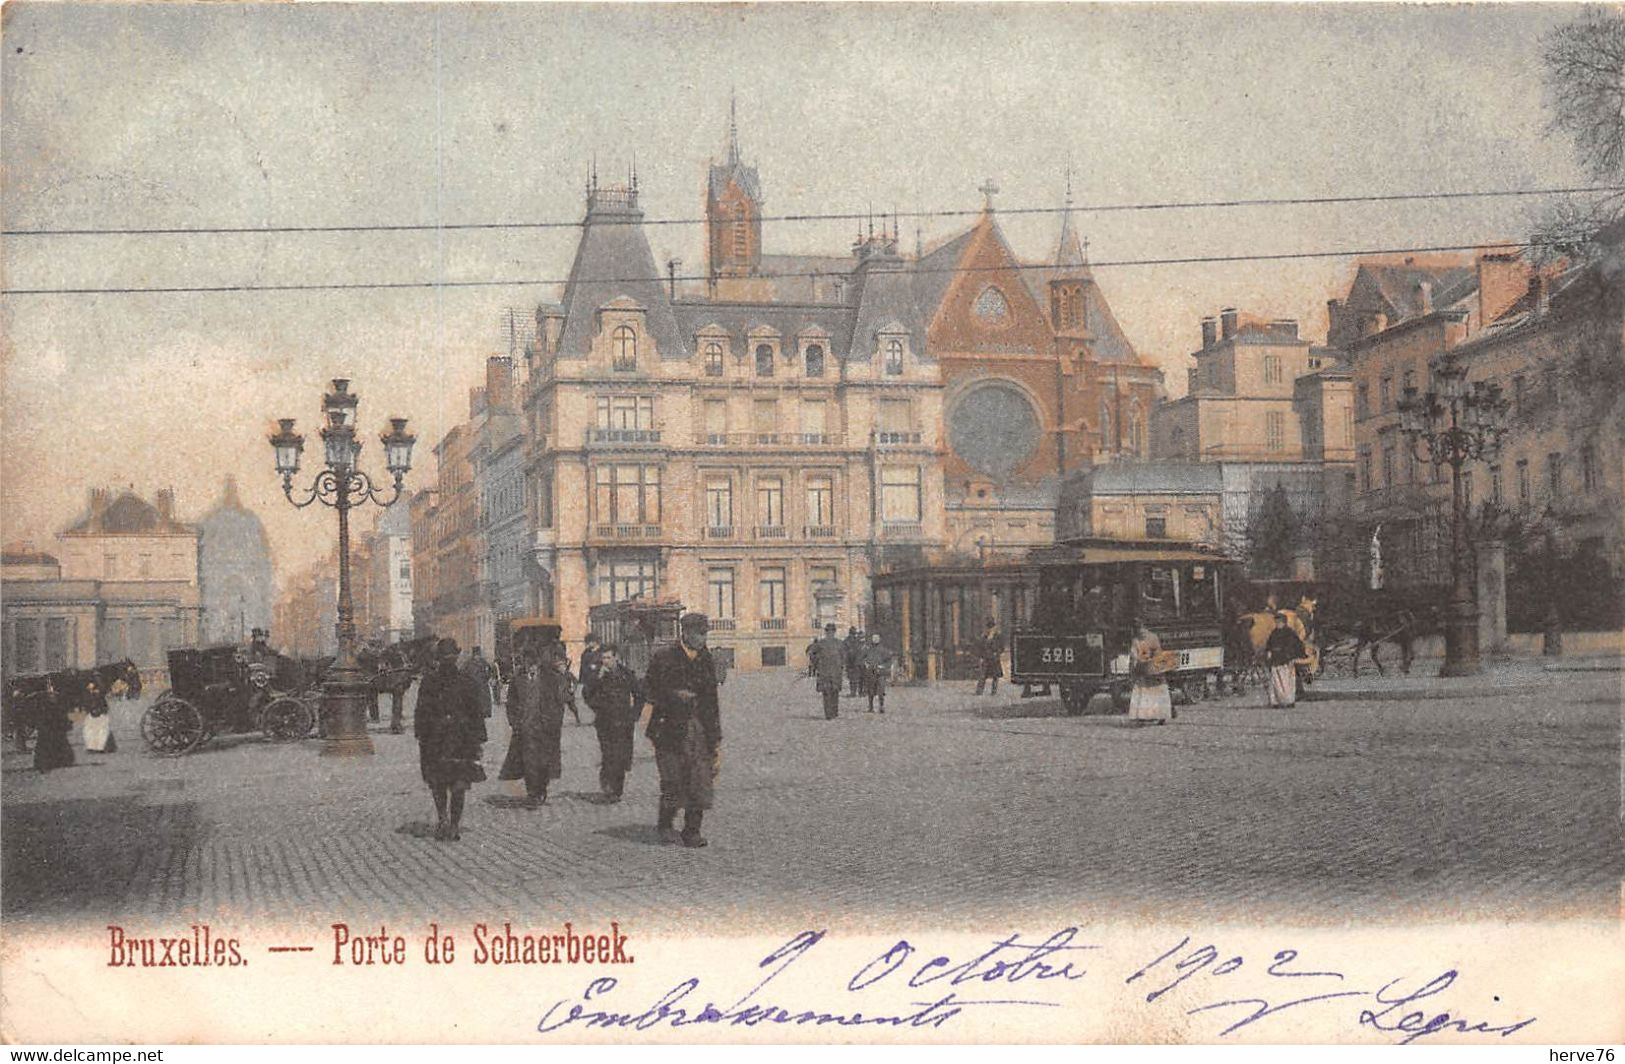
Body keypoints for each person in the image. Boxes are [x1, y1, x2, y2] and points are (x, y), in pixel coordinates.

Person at [643, 613, 722, 847]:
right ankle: (666, 825)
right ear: (685, 633)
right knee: (673, 780)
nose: (703, 638)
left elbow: (712, 700)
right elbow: (648, 690)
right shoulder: (665, 658)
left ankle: (692, 831)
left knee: (700, 781)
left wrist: (715, 737)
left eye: (705, 633)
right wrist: (674, 696)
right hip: (669, 729)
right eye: (699, 633)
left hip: (699, 729)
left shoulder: (706, 658)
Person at [414, 638, 487, 841]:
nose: (448, 660)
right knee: (447, 784)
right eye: (446, 657)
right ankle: (447, 821)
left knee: (452, 784)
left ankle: (449, 822)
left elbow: (476, 713)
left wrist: (479, 740)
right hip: (448, 740)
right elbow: (422, 711)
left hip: (451, 740)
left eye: (450, 657)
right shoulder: (436, 682)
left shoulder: (461, 681)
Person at [499, 630, 570, 806]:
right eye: (526, 661)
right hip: (526, 728)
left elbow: (560, 701)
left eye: (532, 662)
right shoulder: (518, 679)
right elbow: (511, 704)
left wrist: (555, 721)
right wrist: (515, 722)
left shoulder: (550, 679)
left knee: (544, 763)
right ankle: (532, 793)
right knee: (529, 762)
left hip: (545, 727)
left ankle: (541, 789)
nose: (529, 665)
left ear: (538, 662)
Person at [587, 645, 641, 802]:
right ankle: (608, 787)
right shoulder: (598, 675)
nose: (605, 661)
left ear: (616, 657)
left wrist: (634, 714)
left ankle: (617, 790)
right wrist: (597, 681)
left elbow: (639, 694)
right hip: (604, 722)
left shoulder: (626, 674)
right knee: (608, 754)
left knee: (622, 755)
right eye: (603, 658)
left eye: (608, 658)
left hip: (624, 722)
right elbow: (587, 695)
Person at [1128, 621, 1174, 725]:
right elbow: (1134, 656)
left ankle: (1149, 716)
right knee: (1153, 692)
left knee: (1147, 692)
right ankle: (1155, 715)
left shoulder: (1139, 640)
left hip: (1148, 668)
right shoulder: (1149, 638)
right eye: (1139, 630)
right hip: (1150, 669)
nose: (1141, 632)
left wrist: (1133, 669)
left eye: (1141, 629)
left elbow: (1134, 657)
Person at [1265, 612, 1307, 709]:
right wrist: (1269, 652)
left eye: (1279, 621)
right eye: (1276, 621)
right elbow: (1269, 645)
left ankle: (1288, 701)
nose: (1278, 623)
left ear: (1284, 622)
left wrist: (1293, 657)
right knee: (1276, 681)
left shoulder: (1290, 633)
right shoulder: (1274, 633)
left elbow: (1297, 646)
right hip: (1276, 660)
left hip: (1287, 660)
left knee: (1287, 682)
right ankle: (1276, 701)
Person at [32, 679, 74, 772]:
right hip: (48, 723)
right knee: (48, 742)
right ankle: (50, 762)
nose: (50, 687)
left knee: (52, 741)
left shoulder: (51, 696)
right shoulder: (42, 697)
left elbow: (61, 710)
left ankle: (54, 761)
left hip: (51, 723)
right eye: (48, 685)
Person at [814, 623, 846, 720]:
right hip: (827, 672)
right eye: (829, 631)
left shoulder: (839, 643)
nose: (830, 633)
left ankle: (832, 712)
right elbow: (813, 655)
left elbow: (844, 656)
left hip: (832, 672)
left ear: (834, 632)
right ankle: (830, 713)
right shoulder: (821, 644)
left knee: (832, 692)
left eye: (831, 631)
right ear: (826, 632)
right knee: (829, 692)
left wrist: (816, 665)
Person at [81, 677, 117, 754]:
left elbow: (102, 704)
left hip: (99, 712)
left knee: (100, 730)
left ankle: (100, 747)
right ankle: (93, 747)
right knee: (92, 730)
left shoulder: (97, 693)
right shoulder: (89, 693)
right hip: (94, 713)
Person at [861, 633, 893, 714]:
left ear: (879, 639)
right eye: (873, 638)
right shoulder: (868, 649)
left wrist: (883, 666)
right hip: (871, 672)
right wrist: (865, 664)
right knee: (870, 690)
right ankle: (870, 706)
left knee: (881, 690)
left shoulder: (884, 650)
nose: (875, 639)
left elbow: (889, 661)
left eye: (876, 638)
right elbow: (862, 658)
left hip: (880, 673)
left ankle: (881, 705)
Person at [974, 618, 1004, 695]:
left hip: (994, 659)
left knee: (995, 676)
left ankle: (994, 691)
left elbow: (1001, 648)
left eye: (991, 627)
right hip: (986, 658)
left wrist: (997, 653)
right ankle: (979, 691)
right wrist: (981, 657)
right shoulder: (984, 637)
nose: (990, 629)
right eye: (989, 627)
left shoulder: (997, 636)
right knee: (982, 675)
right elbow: (980, 647)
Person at [464, 646, 493, 720]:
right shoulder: (482, 661)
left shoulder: (469, 662)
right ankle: (484, 712)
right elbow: (490, 670)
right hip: (479, 684)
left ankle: (483, 712)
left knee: (480, 699)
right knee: (482, 699)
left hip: (476, 684)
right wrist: (486, 677)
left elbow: (462, 671)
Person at [578, 632, 604, 707]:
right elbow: (582, 667)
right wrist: (581, 682)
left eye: (588, 642)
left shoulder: (602, 652)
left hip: (599, 680)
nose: (587, 645)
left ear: (594, 642)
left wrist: (597, 667)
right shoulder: (585, 653)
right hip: (588, 681)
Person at [843, 627, 864, 697]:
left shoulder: (847, 641)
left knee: (853, 678)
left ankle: (854, 692)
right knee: (857, 677)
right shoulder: (857, 640)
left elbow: (844, 651)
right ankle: (858, 692)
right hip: (856, 661)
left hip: (852, 662)